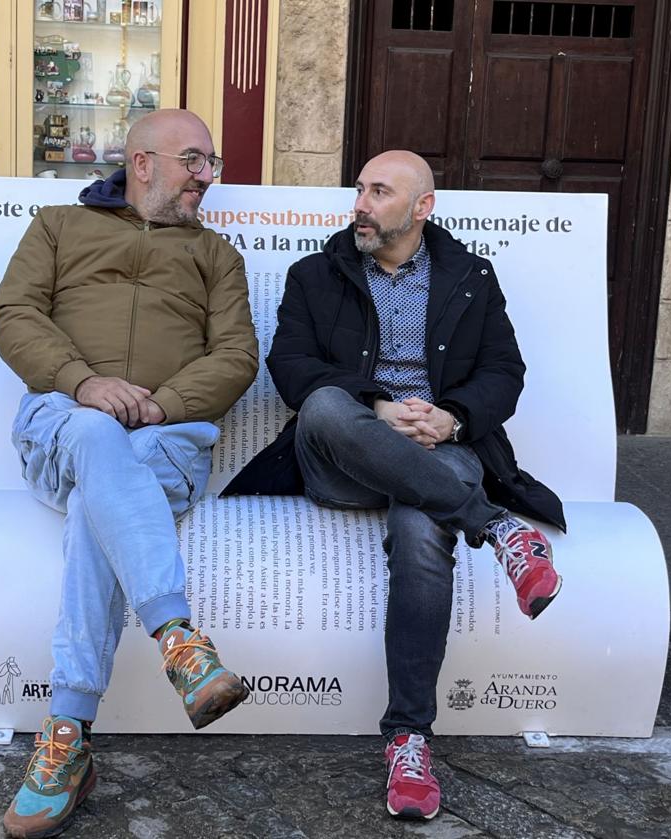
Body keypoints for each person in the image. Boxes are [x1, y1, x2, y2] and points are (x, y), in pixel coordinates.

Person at [224, 150, 567, 821]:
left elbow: (505, 369)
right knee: (323, 405)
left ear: (422, 206)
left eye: (379, 192)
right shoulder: (315, 275)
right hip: (348, 453)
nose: (360, 204)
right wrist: (378, 406)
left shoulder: (470, 277)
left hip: (443, 451)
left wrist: (453, 415)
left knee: (419, 531)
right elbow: (291, 366)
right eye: (359, 190)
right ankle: (498, 529)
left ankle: (409, 740)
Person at [0, 109, 258, 839]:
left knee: (95, 507)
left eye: (212, 163)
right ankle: (179, 637)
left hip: (162, 444)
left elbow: (237, 357)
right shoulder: (57, 228)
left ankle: (66, 737)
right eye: (194, 160)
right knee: (92, 431)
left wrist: (163, 405)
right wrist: (82, 383)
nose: (208, 175)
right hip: (63, 424)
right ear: (142, 162)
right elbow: (13, 314)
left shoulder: (217, 257)